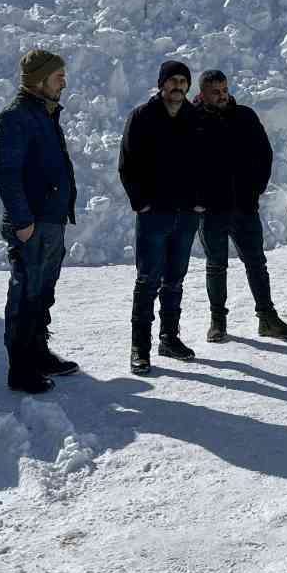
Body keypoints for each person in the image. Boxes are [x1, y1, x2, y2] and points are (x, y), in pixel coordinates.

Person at [0, 48, 81, 395]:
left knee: (42, 294)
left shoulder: (44, 114)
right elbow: (6, 175)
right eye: (59, 77)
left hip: (50, 221)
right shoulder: (15, 118)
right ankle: (21, 370)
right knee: (25, 297)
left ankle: (39, 355)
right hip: (32, 225)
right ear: (39, 79)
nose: (64, 83)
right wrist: (23, 221)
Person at [193, 69, 287, 341]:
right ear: (202, 93)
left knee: (256, 262)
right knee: (216, 265)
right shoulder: (192, 120)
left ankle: (267, 317)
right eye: (215, 91)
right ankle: (218, 322)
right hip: (211, 210)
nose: (221, 95)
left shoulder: (245, 117)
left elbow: (263, 156)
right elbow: (184, 163)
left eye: (224, 89)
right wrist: (196, 198)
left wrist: (254, 191)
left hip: (244, 206)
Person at [119, 60, 204, 375]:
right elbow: (127, 163)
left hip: (186, 215)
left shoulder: (195, 118)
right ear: (161, 84)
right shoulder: (142, 117)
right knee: (148, 280)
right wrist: (141, 203)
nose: (178, 86)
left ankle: (169, 338)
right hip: (154, 214)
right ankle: (139, 348)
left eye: (183, 81)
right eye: (172, 81)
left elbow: (207, 163)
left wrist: (200, 202)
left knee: (175, 280)